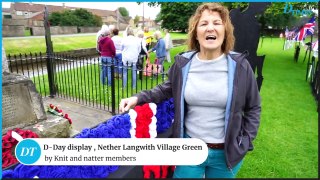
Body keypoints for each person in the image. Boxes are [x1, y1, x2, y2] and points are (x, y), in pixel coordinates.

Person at [119, 2, 261, 178]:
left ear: (225, 30)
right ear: (196, 32)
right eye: (204, 23)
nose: (210, 28)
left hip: (225, 154)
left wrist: (245, 141)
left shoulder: (240, 66)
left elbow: (254, 107)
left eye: (217, 23)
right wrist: (137, 98)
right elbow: (163, 89)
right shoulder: (183, 64)